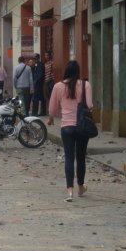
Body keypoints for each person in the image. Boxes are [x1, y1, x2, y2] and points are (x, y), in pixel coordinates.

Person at [47, 60, 93, 202]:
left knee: (69, 157)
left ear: (66, 71)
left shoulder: (58, 86)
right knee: (80, 158)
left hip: (66, 127)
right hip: (81, 127)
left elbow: (53, 109)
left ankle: (70, 192)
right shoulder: (86, 85)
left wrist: (51, 118)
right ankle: (80, 186)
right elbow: (90, 105)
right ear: (78, 72)